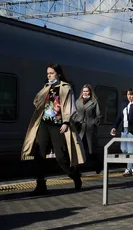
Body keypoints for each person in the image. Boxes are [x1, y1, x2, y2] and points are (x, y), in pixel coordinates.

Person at [22, 63, 85, 195]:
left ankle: (75, 175)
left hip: (59, 125)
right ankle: (40, 185)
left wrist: (66, 122)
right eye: (48, 74)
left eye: (51, 73)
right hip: (44, 124)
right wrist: (44, 92)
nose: (49, 76)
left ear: (58, 74)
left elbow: (69, 106)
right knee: (39, 154)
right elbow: (36, 102)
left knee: (61, 157)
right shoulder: (47, 87)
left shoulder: (66, 88)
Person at [111, 89, 133, 177]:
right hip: (124, 130)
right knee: (123, 149)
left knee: (130, 150)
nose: (129, 96)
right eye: (128, 94)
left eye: (131, 94)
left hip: (132, 130)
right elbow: (119, 117)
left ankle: (128, 169)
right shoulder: (124, 104)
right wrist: (114, 127)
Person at [72, 84, 103, 174]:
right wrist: (74, 120)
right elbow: (74, 113)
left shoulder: (94, 102)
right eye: (84, 91)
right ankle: (77, 170)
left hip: (90, 129)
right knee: (78, 149)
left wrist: (94, 123)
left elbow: (99, 115)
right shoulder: (78, 101)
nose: (85, 92)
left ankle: (98, 165)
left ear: (90, 92)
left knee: (91, 150)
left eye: (87, 91)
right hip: (79, 128)